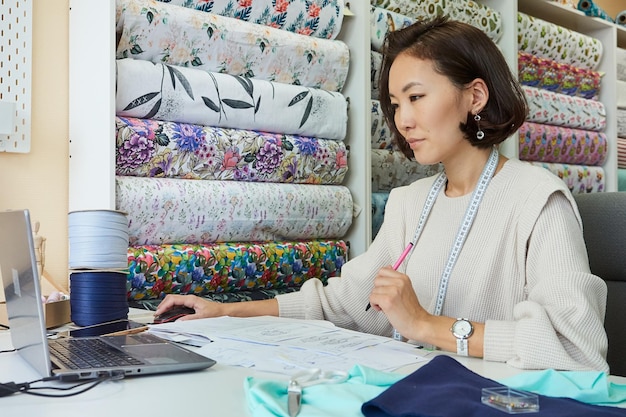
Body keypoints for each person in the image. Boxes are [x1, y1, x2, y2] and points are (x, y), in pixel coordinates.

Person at [155, 16, 609, 372]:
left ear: (474, 96)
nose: (403, 120)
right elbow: (341, 306)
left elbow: (575, 345)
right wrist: (225, 311)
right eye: (395, 105)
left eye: (415, 97)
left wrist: (426, 325)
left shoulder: (538, 200)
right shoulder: (411, 202)